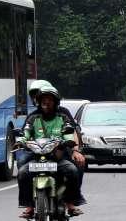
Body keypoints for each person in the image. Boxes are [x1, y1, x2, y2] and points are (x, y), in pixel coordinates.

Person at [16, 84, 85, 218]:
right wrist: (21, 141)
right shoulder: (32, 118)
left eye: (49, 100)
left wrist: (72, 145)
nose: (46, 102)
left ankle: (70, 203)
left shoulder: (63, 116)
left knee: (72, 171)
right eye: (43, 100)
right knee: (22, 172)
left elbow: (69, 133)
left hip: (58, 156)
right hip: (37, 155)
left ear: (55, 102)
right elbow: (26, 133)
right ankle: (29, 205)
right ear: (39, 102)